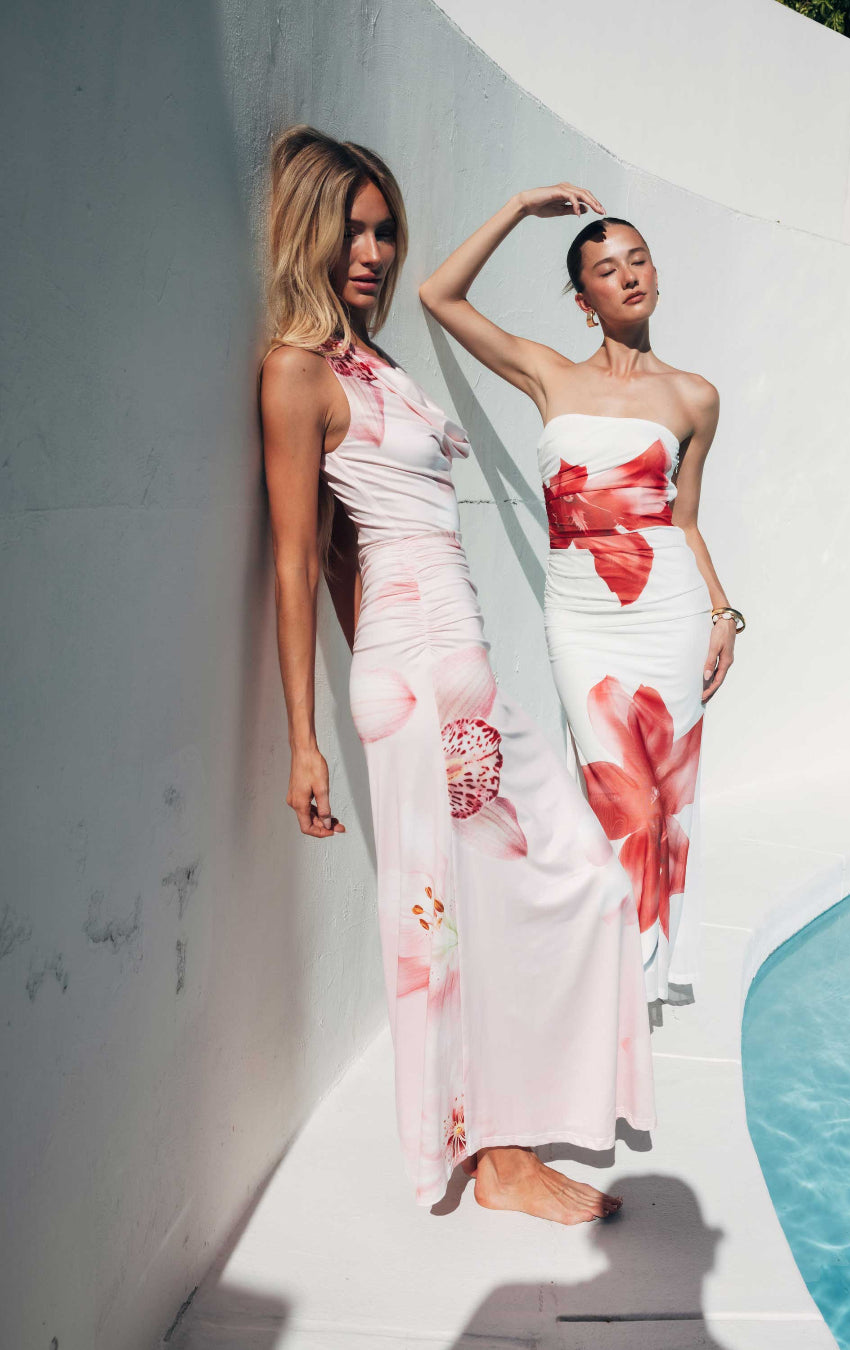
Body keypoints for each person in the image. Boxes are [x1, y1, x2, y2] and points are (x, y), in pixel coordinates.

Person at [259, 131, 655, 1223]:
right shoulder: (298, 374)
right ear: (310, 233)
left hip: (452, 677)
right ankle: (496, 1160)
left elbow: (346, 554)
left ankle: (503, 1140)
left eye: (386, 230)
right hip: (421, 677)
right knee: (454, 915)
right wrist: (307, 736)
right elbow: (300, 559)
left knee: (563, 871)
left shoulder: (374, 367)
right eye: (355, 229)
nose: (376, 251)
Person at [419, 185, 744, 1013]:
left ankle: (637, 986)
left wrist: (722, 612)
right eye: (606, 268)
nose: (628, 275)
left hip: (669, 606)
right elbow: (438, 296)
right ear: (583, 299)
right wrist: (523, 208)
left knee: (666, 796)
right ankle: (611, 973)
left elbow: (686, 521)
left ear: (656, 276)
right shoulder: (549, 373)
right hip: (582, 615)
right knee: (613, 790)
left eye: (638, 260)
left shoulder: (694, 396)